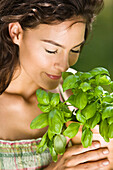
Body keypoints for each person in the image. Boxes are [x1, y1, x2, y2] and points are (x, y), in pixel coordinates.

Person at [0, 0, 110, 169]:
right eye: (51, 50)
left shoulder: (75, 97)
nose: (64, 65)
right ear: (16, 33)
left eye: (74, 50)